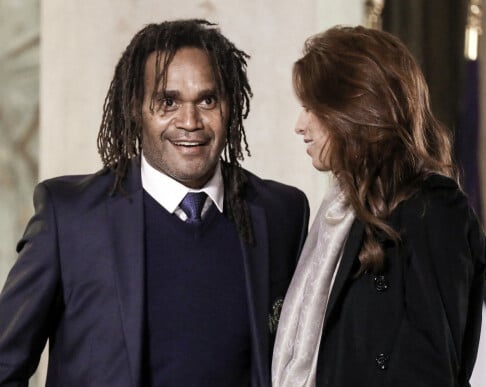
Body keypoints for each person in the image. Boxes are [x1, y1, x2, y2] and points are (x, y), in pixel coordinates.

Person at [0, 19, 309, 387]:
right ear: (136, 109)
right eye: (168, 102)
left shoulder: (280, 212)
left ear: (232, 106)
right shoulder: (70, 217)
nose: (190, 121)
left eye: (208, 100)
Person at [272, 25, 486, 387]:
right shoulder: (340, 214)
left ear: (355, 109)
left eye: (312, 108)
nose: (300, 125)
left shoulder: (433, 209)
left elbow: (431, 366)